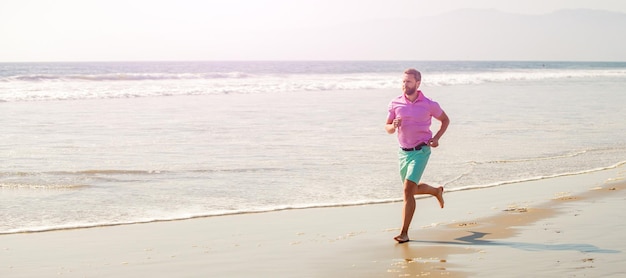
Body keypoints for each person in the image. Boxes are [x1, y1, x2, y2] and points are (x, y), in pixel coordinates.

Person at [385, 68, 449, 243]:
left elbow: (445, 120)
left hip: (421, 150)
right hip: (403, 152)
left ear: (418, 83)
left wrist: (436, 138)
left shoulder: (429, 104)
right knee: (411, 189)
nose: (405, 85)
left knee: (407, 191)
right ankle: (436, 191)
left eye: (409, 82)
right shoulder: (395, 103)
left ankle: (404, 233)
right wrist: (393, 125)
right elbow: (388, 128)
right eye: (403, 81)